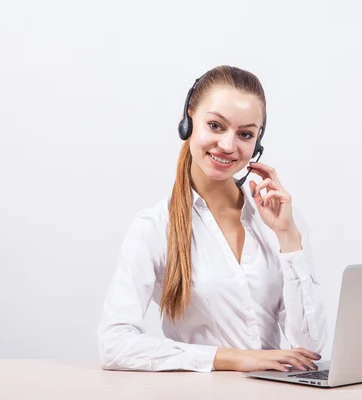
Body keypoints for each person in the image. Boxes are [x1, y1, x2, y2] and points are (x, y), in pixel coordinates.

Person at [97, 65, 327, 373]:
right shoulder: (153, 228)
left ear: (257, 143)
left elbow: (311, 347)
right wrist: (231, 358)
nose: (229, 146)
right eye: (216, 126)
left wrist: (288, 237)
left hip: (274, 393)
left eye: (245, 134)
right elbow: (113, 344)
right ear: (188, 119)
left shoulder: (278, 220)